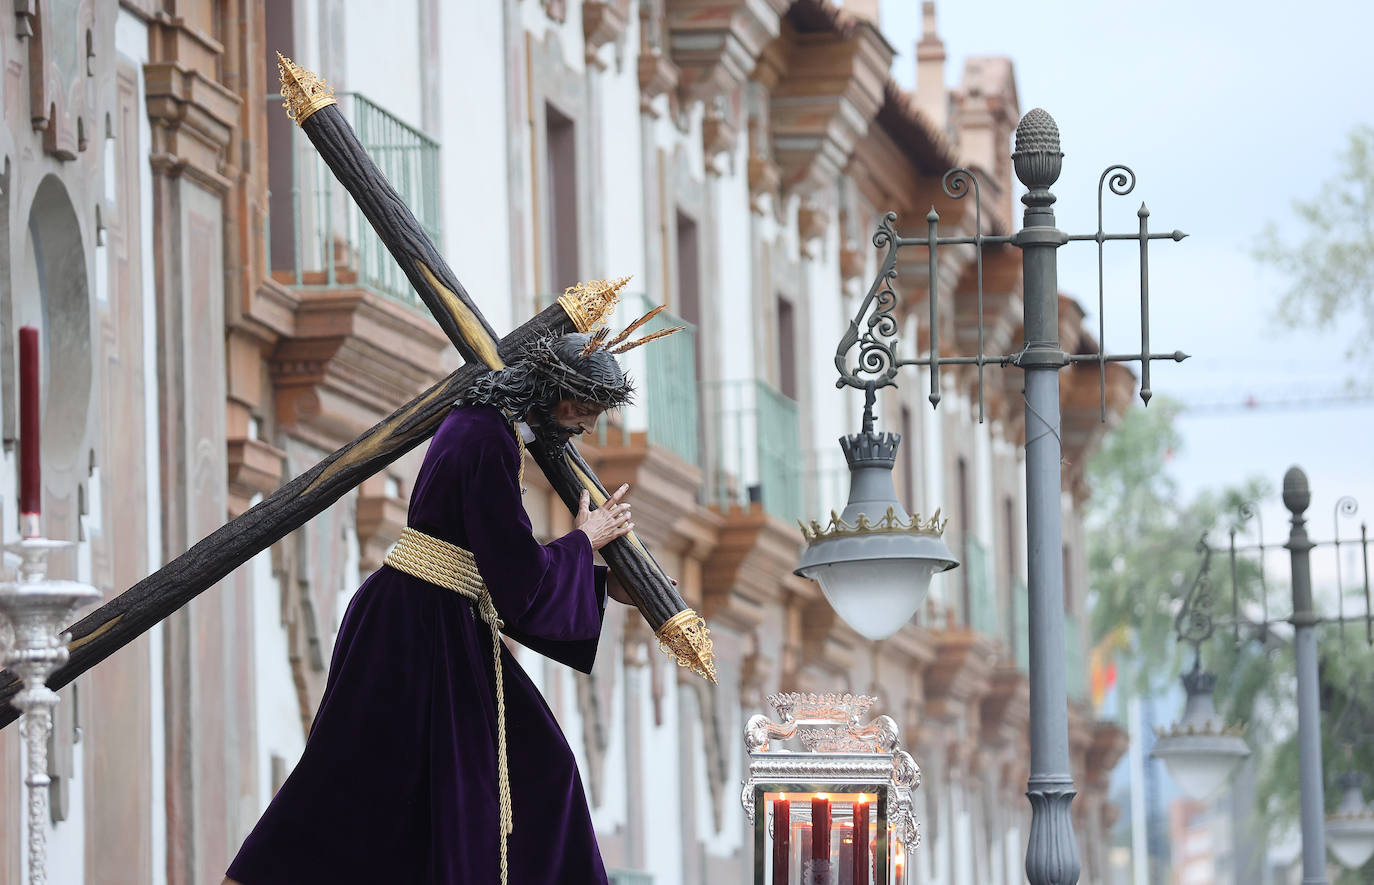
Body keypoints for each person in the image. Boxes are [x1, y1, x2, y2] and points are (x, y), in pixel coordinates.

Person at [225, 330, 648, 885]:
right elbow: (516, 577)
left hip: (426, 618)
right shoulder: (489, 439)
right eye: (586, 411)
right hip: (419, 627)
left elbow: (499, 559)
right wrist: (584, 542)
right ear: (561, 397)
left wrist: (589, 577)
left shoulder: (478, 424)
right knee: (362, 780)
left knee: (421, 784)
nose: (586, 427)